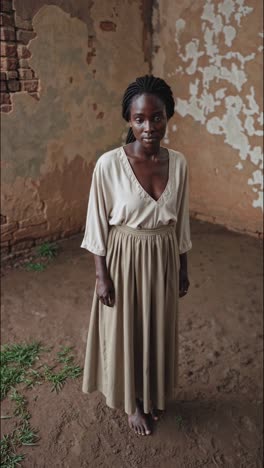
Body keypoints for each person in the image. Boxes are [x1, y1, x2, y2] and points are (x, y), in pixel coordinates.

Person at [81, 75, 192, 436]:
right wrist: (102, 276)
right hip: (124, 259)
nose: (149, 127)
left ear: (168, 116)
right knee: (128, 331)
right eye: (140, 119)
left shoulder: (179, 164)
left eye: (157, 117)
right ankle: (134, 403)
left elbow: (181, 223)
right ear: (129, 120)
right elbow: (97, 223)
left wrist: (182, 267)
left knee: (157, 327)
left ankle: (153, 392)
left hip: (162, 256)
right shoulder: (108, 165)